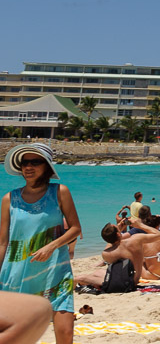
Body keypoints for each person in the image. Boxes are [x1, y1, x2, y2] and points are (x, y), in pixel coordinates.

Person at [1, 144, 81, 344]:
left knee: (65, 333)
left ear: (46, 166)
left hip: (56, 271)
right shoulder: (9, 199)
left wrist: (51, 246)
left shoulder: (60, 192)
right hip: (17, 273)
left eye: (35, 162)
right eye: (24, 163)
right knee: (18, 337)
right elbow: (2, 243)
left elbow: (75, 228)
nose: (28, 167)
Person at [75, 221, 160, 293]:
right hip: (132, 280)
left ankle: (72, 284)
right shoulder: (135, 240)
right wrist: (140, 225)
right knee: (98, 272)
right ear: (118, 234)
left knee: (81, 278)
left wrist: (118, 231)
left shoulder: (106, 254)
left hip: (121, 281)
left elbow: (111, 245)